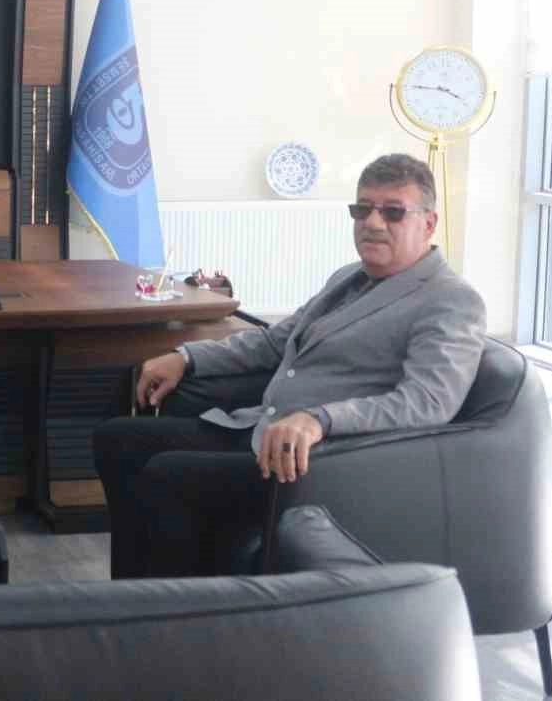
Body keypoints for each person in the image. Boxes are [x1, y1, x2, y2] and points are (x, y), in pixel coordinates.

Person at [92, 153, 485, 579]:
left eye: (393, 212)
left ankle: (177, 609)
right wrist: (186, 357)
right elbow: (274, 342)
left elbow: (427, 403)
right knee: (118, 440)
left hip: (325, 459)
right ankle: (131, 594)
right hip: (263, 429)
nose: (372, 222)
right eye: (362, 209)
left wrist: (321, 420)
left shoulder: (450, 300)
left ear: (429, 223)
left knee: (167, 475)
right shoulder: (349, 277)